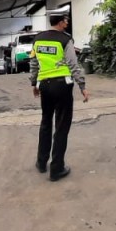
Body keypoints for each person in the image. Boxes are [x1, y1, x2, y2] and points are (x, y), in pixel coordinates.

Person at [30, 10, 89, 182]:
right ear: (61, 22)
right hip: (62, 86)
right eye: (66, 20)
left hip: (45, 87)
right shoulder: (65, 40)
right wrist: (82, 86)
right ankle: (56, 169)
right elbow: (73, 64)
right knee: (62, 126)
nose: (67, 23)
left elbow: (34, 63)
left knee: (46, 123)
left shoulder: (38, 39)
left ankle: (41, 163)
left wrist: (34, 83)